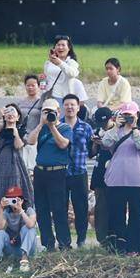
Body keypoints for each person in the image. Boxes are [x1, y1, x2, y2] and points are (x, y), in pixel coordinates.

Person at [100, 102, 140, 255]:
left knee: (137, 213)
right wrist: (116, 126)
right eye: (125, 115)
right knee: (116, 213)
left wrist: (134, 129)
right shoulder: (115, 132)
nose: (128, 117)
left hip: (136, 180)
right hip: (116, 179)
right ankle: (119, 246)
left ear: (137, 115)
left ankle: (136, 247)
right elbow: (105, 143)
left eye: (131, 115)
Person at [26, 98, 72, 250]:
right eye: (45, 111)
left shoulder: (65, 127)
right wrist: (41, 123)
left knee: (59, 209)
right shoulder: (41, 128)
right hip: (40, 171)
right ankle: (47, 243)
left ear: (58, 112)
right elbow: (30, 141)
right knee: (42, 209)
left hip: (57, 172)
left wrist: (52, 126)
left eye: (51, 111)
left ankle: (64, 243)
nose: (49, 114)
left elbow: (63, 144)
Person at [0, 102, 32, 215]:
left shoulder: (21, 131)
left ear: (18, 117)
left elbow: (18, 146)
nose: (10, 114)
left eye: (13, 111)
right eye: (7, 111)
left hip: (16, 167)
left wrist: (15, 131)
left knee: (15, 193)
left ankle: (16, 220)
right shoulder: (0, 129)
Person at [62, 94, 94, 248]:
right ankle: (64, 241)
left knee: (81, 207)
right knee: (61, 207)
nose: (70, 107)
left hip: (79, 172)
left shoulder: (86, 127)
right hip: (61, 172)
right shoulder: (58, 125)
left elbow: (91, 151)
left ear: (78, 107)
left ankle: (81, 239)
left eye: (72, 104)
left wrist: (97, 144)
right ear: (63, 107)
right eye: (67, 104)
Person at [0, 186, 38, 272]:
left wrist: (21, 211)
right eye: (11, 200)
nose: (13, 203)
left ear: (22, 200)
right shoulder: (7, 212)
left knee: (28, 228)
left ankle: (24, 261)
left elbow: (31, 224)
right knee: (0, 233)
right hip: (13, 249)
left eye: (15, 199)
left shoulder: (29, 210)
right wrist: (1, 208)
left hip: (28, 249)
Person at [88, 106, 116, 245]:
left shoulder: (118, 131)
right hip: (99, 174)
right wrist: (95, 143)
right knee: (101, 208)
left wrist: (106, 144)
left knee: (115, 207)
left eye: (105, 123)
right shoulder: (97, 131)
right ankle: (102, 239)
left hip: (115, 174)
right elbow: (91, 154)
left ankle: (116, 236)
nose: (103, 126)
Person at [40, 35, 87, 105]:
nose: (60, 47)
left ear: (69, 48)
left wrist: (59, 63)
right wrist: (42, 81)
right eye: (58, 45)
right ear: (54, 48)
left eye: (63, 45)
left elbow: (72, 74)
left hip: (64, 98)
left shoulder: (72, 62)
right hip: (50, 96)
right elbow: (46, 79)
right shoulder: (48, 63)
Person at [17, 75, 44, 170]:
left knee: (33, 167)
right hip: (22, 138)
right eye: (28, 85)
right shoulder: (20, 102)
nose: (30, 88)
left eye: (33, 85)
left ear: (38, 86)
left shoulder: (42, 102)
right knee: (21, 167)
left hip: (36, 138)